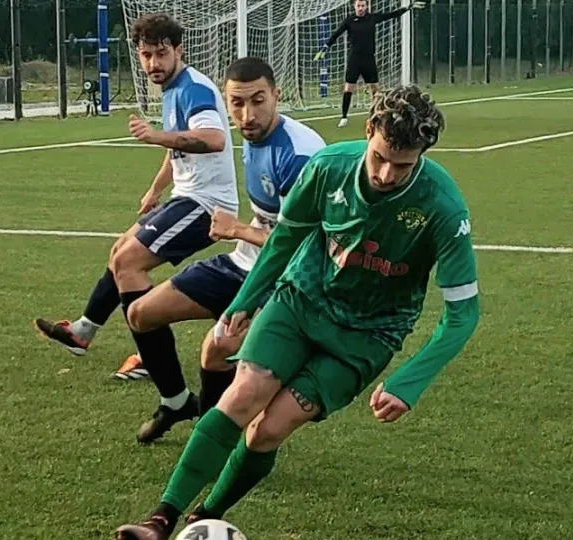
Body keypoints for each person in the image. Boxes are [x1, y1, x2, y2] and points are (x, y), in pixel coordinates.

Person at [113, 84, 481, 540]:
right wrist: (246, 301)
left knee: (269, 430)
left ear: (422, 154)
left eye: (402, 165)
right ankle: (161, 518)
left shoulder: (443, 208)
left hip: (367, 335)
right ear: (369, 131)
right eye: (380, 157)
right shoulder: (329, 168)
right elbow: (286, 239)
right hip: (301, 299)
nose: (386, 174)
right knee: (242, 394)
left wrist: (410, 381)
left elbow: (463, 314)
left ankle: (207, 514)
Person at [33, 13, 238, 401]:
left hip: (207, 204)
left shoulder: (193, 88)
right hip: (185, 195)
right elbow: (178, 145)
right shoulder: (173, 89)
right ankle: (83, 330)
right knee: (119, 252)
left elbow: (212, 139)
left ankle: (154, 365)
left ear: (179, 51)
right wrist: (154, 189)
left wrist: (154, 135)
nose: (153, 64)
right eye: (146, 55)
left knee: (129, 262)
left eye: (161, 54)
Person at [123, 56, 327, 444]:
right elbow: (269, 220)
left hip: (283, 277)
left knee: (217, 349)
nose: (247, 114)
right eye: (237, 103)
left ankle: (212, 435)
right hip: (242, 262)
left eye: (257, 100)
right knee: (141, 313)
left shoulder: (298, 155)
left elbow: (301, 246)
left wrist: (237, 229)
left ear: (276, 96)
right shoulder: (254, 139)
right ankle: (176, 402)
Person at [314, 0, 425, 128]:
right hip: (355, 59)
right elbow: (336, 34)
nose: (360, 8)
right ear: (354, 7)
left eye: (363, 5)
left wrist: (408, 8)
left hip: (369, 59)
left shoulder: (372, 18)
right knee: (349, 88)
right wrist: (325, 48)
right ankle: (344, 117)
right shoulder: (349, 21)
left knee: (375, 89)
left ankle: (376, 114)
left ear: (366, 6)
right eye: (358, 6)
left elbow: (391, 15)